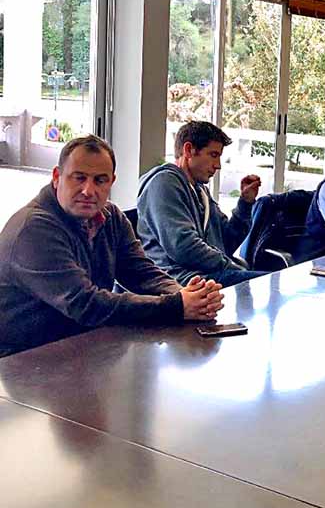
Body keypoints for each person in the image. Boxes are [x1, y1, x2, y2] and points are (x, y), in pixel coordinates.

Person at [0, 135, 224, 356]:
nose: (88, 190)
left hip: (80, 347)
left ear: (111, 182)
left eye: (100, 180)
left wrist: (188, 295)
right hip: (20, 361)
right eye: (79, 178)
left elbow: (141, 272)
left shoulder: (111, 217)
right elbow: (85, 304)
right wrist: (176, 306)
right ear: (57, 177)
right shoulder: (33, 229)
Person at [137, 121, 266, 288]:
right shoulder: (163, 184)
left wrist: (245, 203)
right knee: (267, 285)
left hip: (207, 276)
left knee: (270, 283)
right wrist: (231, 266)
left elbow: (226, 243)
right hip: (182, 282)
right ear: (188, 150)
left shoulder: (200, 191)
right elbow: (183, 248)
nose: (218, 165)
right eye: (213, 155)